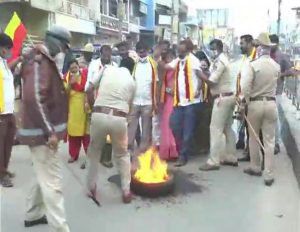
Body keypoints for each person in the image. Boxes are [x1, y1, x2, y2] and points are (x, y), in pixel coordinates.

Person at [17, 25, 71, 231]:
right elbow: (35, 98)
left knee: (41, 175)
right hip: (43, 135)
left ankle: (33, 214)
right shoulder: (40, 61)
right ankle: (60, 228)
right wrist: (50, 131)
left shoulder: (39, 59)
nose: (64, 51)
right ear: (55, 42)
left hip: (39, 133)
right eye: (64, 46)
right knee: (53, 183)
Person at [85, 64, 136, 204]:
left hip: (99, 114)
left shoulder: (106, 69)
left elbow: (88, 90)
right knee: (122, 154)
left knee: (94, 152)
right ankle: (126, 191)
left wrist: (92, 108)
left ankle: (91, 188)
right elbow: (130, 108)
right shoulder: (132, 81)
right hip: (119, 117)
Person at [240, 32, 280, 186]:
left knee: (254, 137)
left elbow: (245, 87)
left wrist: (245, 103)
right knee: (269, 140)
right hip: (271, 103)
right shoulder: (276, 66)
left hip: (255, 104)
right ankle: (269, 174)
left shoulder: (253, 65)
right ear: (269, 49)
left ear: (260, 48)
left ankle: (255, 166)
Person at [161, 40, 202, 167]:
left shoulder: (194, 60)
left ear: (188, 51)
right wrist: (158, 57)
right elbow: (166, 67)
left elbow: (200, 76)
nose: (179, 52)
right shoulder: (178, 60)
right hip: (178, 102)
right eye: (179, 50)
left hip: (191, 102)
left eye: (182, 51)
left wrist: (198, 89)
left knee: (187, 131)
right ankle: (185, 150)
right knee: (174, 125)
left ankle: (183, 156)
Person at [199, 39, 238, 171]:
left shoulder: (220, 61)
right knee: (227, 128)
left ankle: (213, 161)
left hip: (222, 99)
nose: (211, 51)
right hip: (228, 97)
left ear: (219, 48)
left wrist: (200, 74)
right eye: (210, 48)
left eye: (213, 48)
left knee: (215, 129)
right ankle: (231, 156)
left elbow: (212, 82)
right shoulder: (220, 60)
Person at [127, 41, 158, 156]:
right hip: (134, 101)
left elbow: (157, 83)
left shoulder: (153, 64)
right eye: (139, 49)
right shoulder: (135, 64)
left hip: (148, 102)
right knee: (131, 128)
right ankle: (129, 151)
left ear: (148, 50)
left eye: (143, 49)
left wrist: (156, 102)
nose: (141, 51)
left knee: (146, 129)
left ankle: (144, 154)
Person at [269, 34, 293, 155]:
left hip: (277, 91)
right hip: (265, 90)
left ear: (276, 43)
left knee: (275, 118)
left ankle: (276, 143)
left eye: (272, 43)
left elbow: (291, 71)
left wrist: (281, 75)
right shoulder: (265, 55)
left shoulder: (282, 56)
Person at [64, 59, 90, 169]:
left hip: (85, 106)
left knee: (87, 134)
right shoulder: (66, 77)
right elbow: (64, 93)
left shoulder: (86, 74)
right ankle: (73, 155)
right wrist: (70, 84)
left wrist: (88, 102)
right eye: (71, 69)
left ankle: (89, 156)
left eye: (75, 67)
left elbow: (89, 89)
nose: (74, 70)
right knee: (74, 133)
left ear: (78, 66)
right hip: (73, 108)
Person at [0, 33, 18, 187]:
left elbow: (10, 70)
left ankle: (4, 169)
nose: (9, 51)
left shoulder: (4, 63)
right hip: (1, 112)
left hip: (9, 111)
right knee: (1, 144)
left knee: (8, 142)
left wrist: (20, 59)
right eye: (7, 48)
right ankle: (1, 174)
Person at [236, 34, 257, 161]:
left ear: (249, 44)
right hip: (243, 98)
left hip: (251, 99)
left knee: (252, 129)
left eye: (242, 43)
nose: (240, 46)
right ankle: (249, 153)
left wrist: (245, 99)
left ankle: (253, 156)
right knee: (247, 128)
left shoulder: (255, 58)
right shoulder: (246, 58)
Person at [159, 49, 178, 160]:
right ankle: (168, 150)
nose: (168, 60)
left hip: (173, 98)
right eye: (167, 59)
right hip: (167, 99)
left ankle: (173, 150)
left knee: (171, 124)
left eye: (170, 58)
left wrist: (169, 89)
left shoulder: (176, 68)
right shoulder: (166, 69)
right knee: (166, 124)